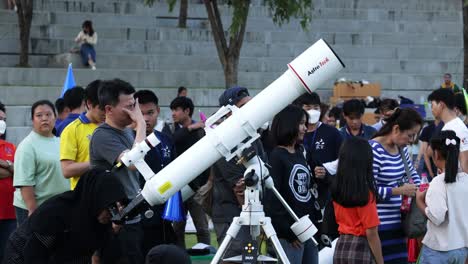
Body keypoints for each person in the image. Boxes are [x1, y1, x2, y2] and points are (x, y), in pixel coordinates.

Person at [3, 169, 127, 264]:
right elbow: (34, 254)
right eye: (107, 207)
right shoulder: (56, 212)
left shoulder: (97, 219)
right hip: (23, 254)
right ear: (95, 199)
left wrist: (114, 232)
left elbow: (108, 257)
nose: (110, 214)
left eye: (114, 209)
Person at [89, 79, 146, 264]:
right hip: (115, 222)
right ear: (109, 109)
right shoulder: (102, 136)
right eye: (128, 106)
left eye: (134, 104)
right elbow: (133, 163)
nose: (134, 111)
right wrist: (142, 124)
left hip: (133, 216)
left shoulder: (128, 132)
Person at [212, 86, 268, 259]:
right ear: (228, 112)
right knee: (234, 258)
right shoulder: (224, 140)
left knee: (250, 257)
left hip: (250, 210)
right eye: (244, 106)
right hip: (233, 214)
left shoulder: (250, 135)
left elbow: (264, 167)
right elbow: (239, 186)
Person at [265, 104, 321, 264]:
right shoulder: (276, 156)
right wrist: (287, 232)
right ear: (289, 124)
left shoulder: (301, 152)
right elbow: (273, 198)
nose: (305, 128)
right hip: (290, 235)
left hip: (308, 229)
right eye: (302, 123)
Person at [370, 108, 423, 263]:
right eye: (410, 135)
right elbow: (368, 190)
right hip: (377, 225)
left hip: (399, 222)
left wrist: (419, 189)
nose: (412, 140)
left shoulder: (401, 149)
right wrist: (398, 190)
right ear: (396, 129)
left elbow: (412, 174)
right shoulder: (374, 150)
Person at [13, 100, 69, 226]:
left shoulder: (60, 141)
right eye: (39, 115)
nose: (44, 119)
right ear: (33, 120)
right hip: (35, 209)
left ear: (55, 117)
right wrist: (32, 209)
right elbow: (24, 182)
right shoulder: (27, 146)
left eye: (48, 114)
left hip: (59, 206)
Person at [134, 90, 177, 254]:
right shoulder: (130, 141)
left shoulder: (166, 139)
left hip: (163, 211)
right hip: (137, 212)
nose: (145, 118)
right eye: (141, 113)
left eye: (150, 113)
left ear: (158, 110)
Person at [416, 130, 468, 264]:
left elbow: (437, 217)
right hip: (461, 249)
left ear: (436, 154)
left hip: (438, 250)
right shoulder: (465, 179)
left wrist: (419, 201)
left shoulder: (438, 183)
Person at [331, 137, 384, 264]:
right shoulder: (364, 193)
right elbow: (371, 232)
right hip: (360, 248)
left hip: (341, 246)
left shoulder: (338, 188)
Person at [169, 96, 210, 249]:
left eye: (176, 110)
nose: (173, 113)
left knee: (202, 226)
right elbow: (171, 141)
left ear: (187, 111)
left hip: (197, 187)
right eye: (172, 110)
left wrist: (205, 183)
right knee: (177, 227)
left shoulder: (201, 131)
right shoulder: (171, 129)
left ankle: (207, 254)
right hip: (177, 186)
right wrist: (190, 128)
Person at [60, 80, 104, 190]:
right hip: (85, 195)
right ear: (89, 104)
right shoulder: (72, 130)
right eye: (101, 108)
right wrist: (98, 164)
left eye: (109, 107)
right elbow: (67, 170)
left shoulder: (112, 126)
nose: (106, 112)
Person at [428, 88, 468, 173]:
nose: (431, 109)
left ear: (441, 105)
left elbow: (465, 164)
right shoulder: (447, 126)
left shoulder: (459, 128)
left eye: (432, 105)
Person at [0, 102, 16, 263]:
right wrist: (10, 168)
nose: (2, 122)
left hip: (9, 213)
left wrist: (6, 164)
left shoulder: (11, 147)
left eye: (4, 119)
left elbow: (19, 171)